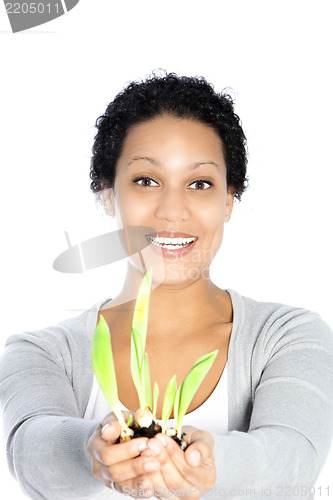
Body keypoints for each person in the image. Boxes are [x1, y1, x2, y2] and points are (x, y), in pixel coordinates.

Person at [1, 73, 333, 500]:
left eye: (200, 184)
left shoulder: (288, 336)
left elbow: (292, 460)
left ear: (228, 200)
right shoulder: (40, 352)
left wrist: (203, 466)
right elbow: (30, 451)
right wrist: (93, 452)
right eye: (145, 180)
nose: (173, 211)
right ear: (107, 194)